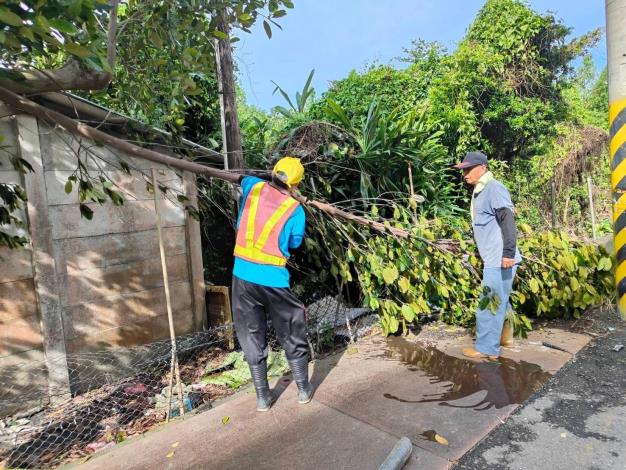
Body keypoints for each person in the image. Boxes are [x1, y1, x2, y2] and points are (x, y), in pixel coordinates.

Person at [231, 156, 313, 411]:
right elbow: (295, 244)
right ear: (297, 184)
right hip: (273, 279)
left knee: (251, 332)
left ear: (272, 172)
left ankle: (263, 398)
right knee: (291, 326)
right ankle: (302, 390)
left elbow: (243, 179)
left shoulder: (253, 187)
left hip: (242, 276)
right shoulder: (295, 209)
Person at [453, 151, 522, 360]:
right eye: (463, 169)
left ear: (482, 167)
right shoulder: (480, 190)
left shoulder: (493, 187)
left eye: (468, 169)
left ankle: (486, 349)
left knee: (489, 303)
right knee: (502, 300)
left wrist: (508, 253)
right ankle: (506, 337)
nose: (464, 173)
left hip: (500, 258)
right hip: (495, 257)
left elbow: (507, 219)